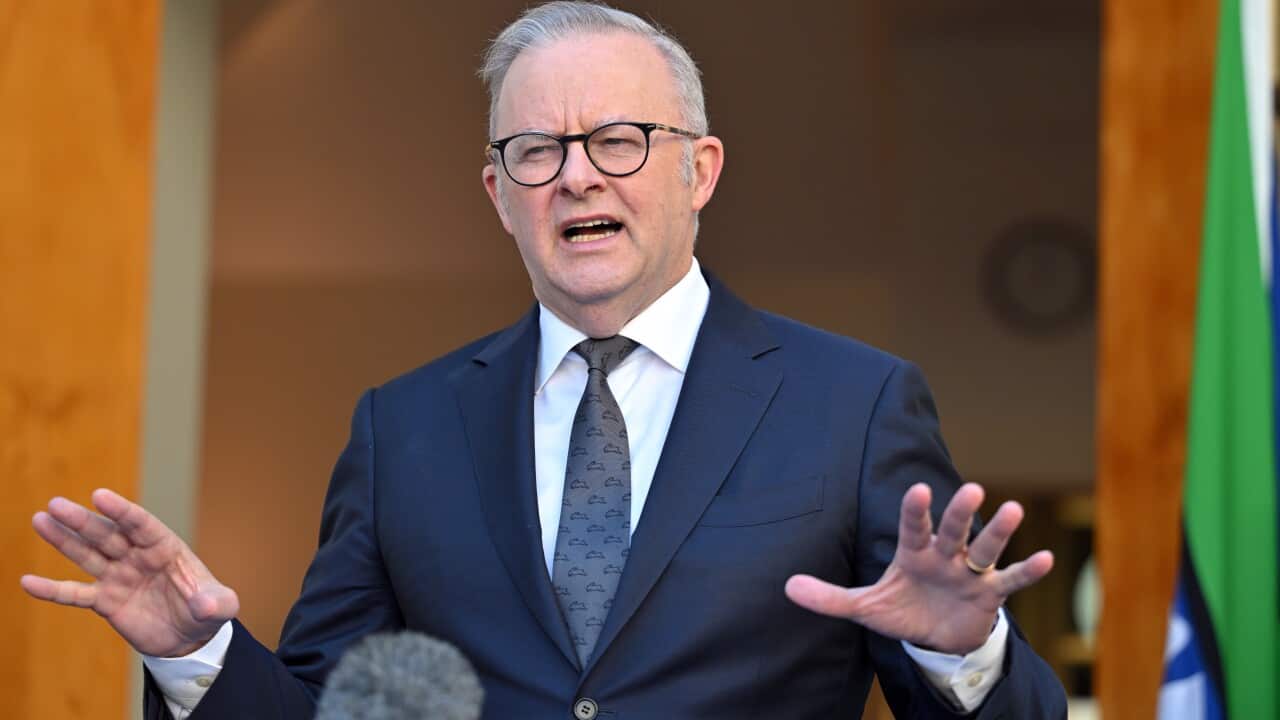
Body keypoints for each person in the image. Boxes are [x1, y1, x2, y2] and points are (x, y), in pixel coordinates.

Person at [20, 3, 1067, 718]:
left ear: (697, 169)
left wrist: (959, 654)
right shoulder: (405, 427)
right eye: (536, 151)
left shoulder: (854, 403)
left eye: (617, 139)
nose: (575, 176)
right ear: (497, 193)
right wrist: (193, 654)